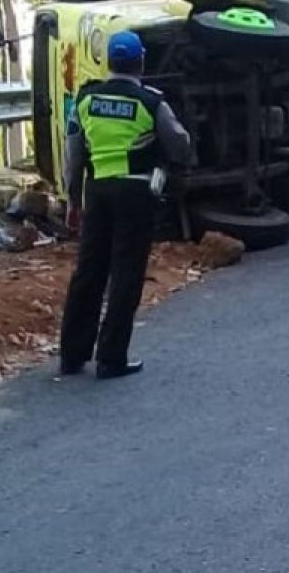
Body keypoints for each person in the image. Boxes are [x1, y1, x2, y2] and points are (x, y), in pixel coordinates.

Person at [60, 30, 194, 380]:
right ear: (141, 62)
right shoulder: (150, 101)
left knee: (88, 272)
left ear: (108, 61)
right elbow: (179, 142)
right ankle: (110, 358)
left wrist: (74, 200)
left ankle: (72, 356)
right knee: (125, 274)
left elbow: (73, 156)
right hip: (136, 193)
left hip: (98, 192)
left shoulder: (85, 99)